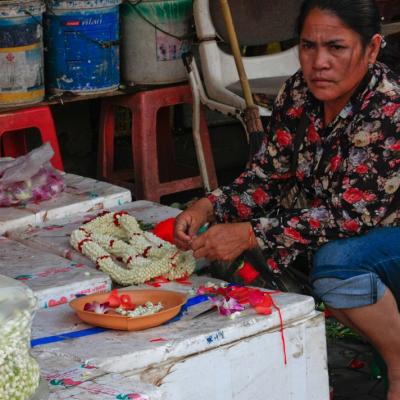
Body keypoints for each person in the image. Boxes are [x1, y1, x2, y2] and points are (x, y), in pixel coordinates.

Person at [174, 0, 400, 398]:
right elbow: (267, 177)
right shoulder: (299, 92)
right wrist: (207, 206)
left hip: (383, 236)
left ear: (372, 49)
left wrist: (250, 234)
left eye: (336, 47)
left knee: (335, 265)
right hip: (331, 231)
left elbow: (351, 216)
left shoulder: (388, 107)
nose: (319, 62)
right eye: (308, 46)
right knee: (230, 268)